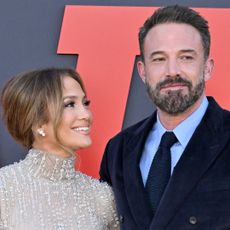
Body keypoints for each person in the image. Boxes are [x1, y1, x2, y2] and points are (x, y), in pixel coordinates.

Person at [100, 5, 230, 230]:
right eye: (159, 59)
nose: (172, 71)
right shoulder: (118, 150)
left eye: (186, 57)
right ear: (143, 72)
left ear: (207, 68)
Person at [0, 68, 119, 229]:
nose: (86, 114)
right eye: (70, 104)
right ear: (38, 122)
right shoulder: (5, 186)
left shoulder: (101, 196)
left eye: (85, 103)